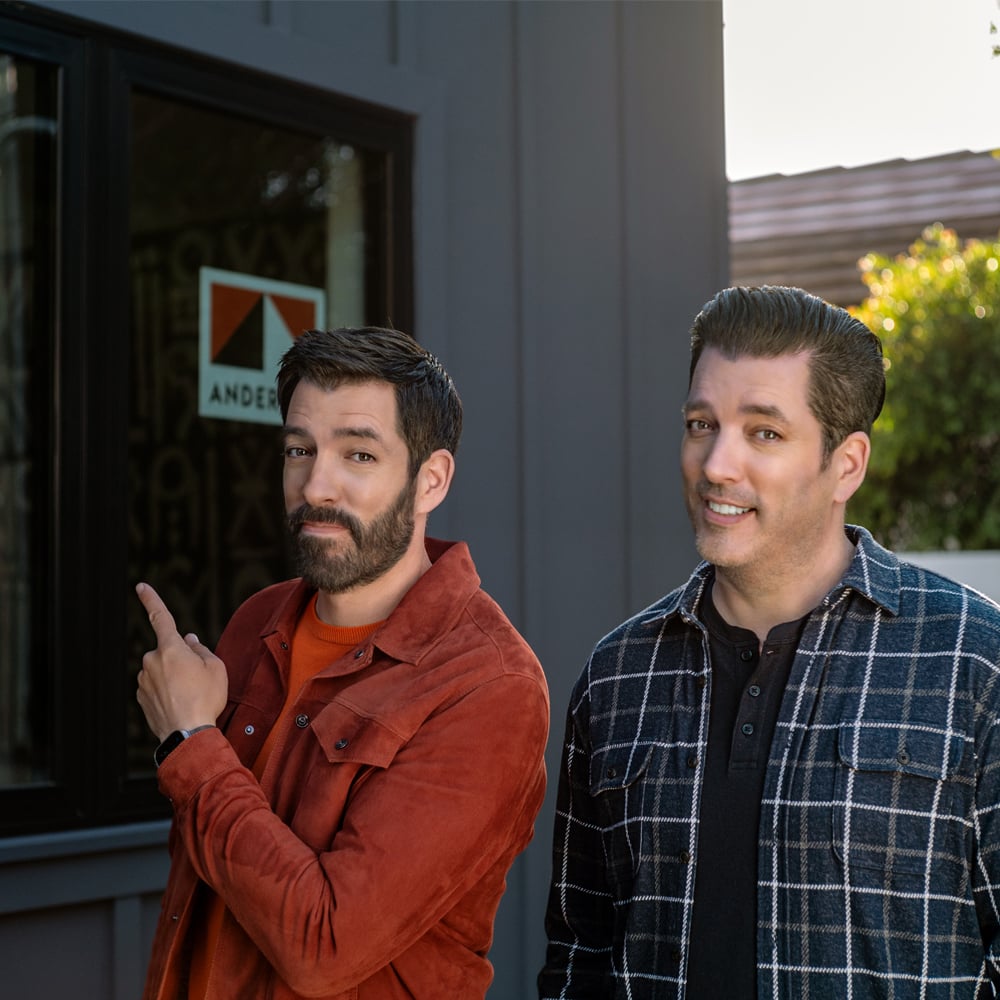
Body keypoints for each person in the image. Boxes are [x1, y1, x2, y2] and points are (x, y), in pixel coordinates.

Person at [538, 285, 1000, 999]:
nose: (716, 465)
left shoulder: (974, 659)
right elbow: (579, 956)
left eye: (764, 433)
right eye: (701, 423)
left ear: (846, 465)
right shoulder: (616, 676)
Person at [135, 326, 549, 1000]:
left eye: (358, 454)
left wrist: (190, 741)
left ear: (431, 479)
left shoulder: (488, 683)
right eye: (299, 449)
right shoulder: (256, 623)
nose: (315, 484)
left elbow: (324, 945)